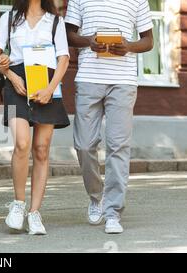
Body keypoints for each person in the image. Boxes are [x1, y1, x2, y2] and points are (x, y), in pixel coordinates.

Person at [65, 0, 154, 234]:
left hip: (123, 81)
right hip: (88, 78)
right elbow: (69, 35)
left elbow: (148, 40)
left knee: (118, 146)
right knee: (84, 145)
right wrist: (88, 41)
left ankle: (113, 212)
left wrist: (129, 46)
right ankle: (97, 197)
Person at [0, 0, 70, 235]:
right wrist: (10, 76)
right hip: (17, 84)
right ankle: (18, 204)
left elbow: (63, 58)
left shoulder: (56, 21)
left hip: (47, 84)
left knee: (42, 149)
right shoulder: (9, 18)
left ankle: (34, 213)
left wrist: (49, 88)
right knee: (22, 143)